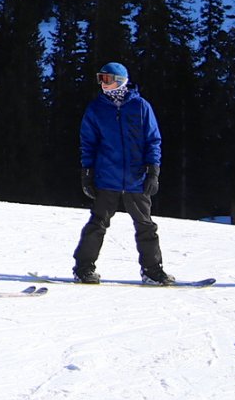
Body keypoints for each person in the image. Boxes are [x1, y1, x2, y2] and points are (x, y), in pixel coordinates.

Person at [72, 61, 173, 285]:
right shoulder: (96, 108)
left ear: (120, 81)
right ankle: (83, 268)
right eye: (100, 79)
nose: (102, 84)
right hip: (107, 178)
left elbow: (153, 140)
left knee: (145, 225)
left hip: (136, 179)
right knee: (98, 223)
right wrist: (87, 172)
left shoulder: (141, 107)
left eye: (106, 79)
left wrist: (153, 170)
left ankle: (152, 270)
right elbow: (88, 142)